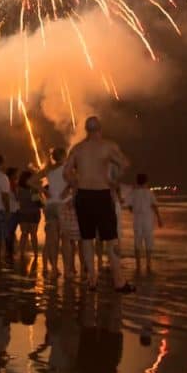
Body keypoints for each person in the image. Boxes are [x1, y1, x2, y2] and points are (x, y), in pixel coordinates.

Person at [64, 116, 134, 293]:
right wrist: (114, 180)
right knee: (111, 239)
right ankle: (118, 281)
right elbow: (125, 164)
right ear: (100, 129)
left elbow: (66, 172)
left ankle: (92, 279)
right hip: (102, 194)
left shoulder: (78, 148)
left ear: (86, 130)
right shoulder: (108, 146)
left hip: (83, 195)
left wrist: (76, 184)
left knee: (87, 239)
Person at [127, 173, 163, 273]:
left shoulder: (133, 193)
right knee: (148, 242)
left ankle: (138, 265)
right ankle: (148, 264)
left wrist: (134, 211)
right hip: (148, 221)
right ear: (146, 182)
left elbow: (129, 206)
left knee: (137, 243)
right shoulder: (149, 193)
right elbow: (155, 206)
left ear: (137, 181)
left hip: (137, 220)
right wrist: (159, 219)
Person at [43, 148, 68, 277]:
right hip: (62, 205)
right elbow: (76, 181)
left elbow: (30, 181)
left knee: (52, 240)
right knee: (65, 239)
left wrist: (45, 191)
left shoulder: (48, 169)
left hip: (50, 205)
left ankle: (53, 269)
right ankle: (68, 270)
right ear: (63, 156)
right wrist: (67, 189)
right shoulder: (66, 168)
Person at [17, 170, 43, 261]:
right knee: (33, 235)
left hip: (23, 213)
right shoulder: (33, 189)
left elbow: (17, 200)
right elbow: (37, 203)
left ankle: (21, 252)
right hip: (33, 213)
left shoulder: (19, 190)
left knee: (24, 234)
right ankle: (35, 254)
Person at [5, 167, 20, 261]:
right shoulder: (13, 184)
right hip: (14, 210)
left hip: (9, 210)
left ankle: (10, 250)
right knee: (10, 231)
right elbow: (17, 197)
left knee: (10, 231)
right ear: (12, 175)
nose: (17, 175)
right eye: (16, 173)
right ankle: (10, 250)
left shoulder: (6, 183)